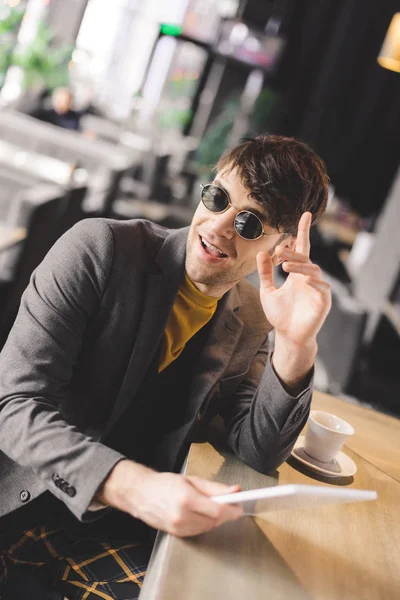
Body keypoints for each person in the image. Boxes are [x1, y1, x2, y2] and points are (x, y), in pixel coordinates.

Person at [0, 134, 331, 599]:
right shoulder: (98, 249)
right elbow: (13, 404)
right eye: (217, 198)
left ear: (282, 248)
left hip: (117, 531)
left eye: (249, 223)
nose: (217, 227)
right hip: (19, 506)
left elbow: (257, 449)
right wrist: (133, 486)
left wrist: (297, 345)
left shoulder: (256, 316)